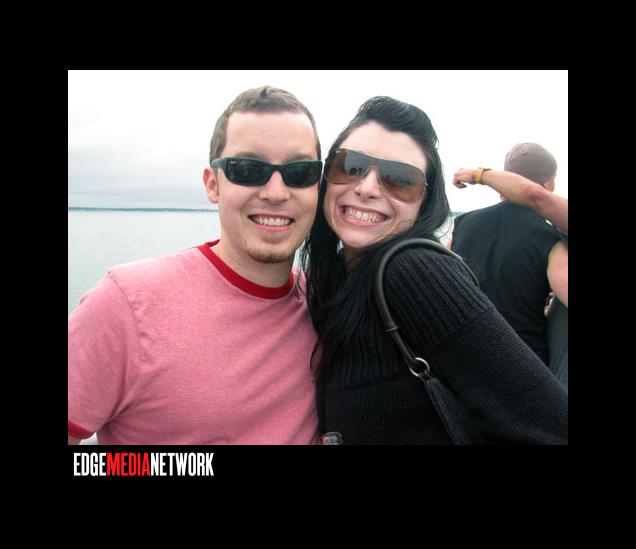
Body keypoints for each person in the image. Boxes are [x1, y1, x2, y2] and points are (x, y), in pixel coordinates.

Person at [300, 97, 567, 444]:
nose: (366, 188)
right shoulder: (337, 275)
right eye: (350, 166)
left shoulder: (415, 271)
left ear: (425, 202)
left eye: (400, 179)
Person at [68, 85, 323, 444]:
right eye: (247, 169)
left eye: (300, 172)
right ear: (212, 184)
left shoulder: (328, 306)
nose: (276, 193)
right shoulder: (124, 306)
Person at [451, 152, 568, 387]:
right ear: (548, 184)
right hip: (525, 360)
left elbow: (446, 279)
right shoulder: (549, 237)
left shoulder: (463, 223)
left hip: (466, 356)